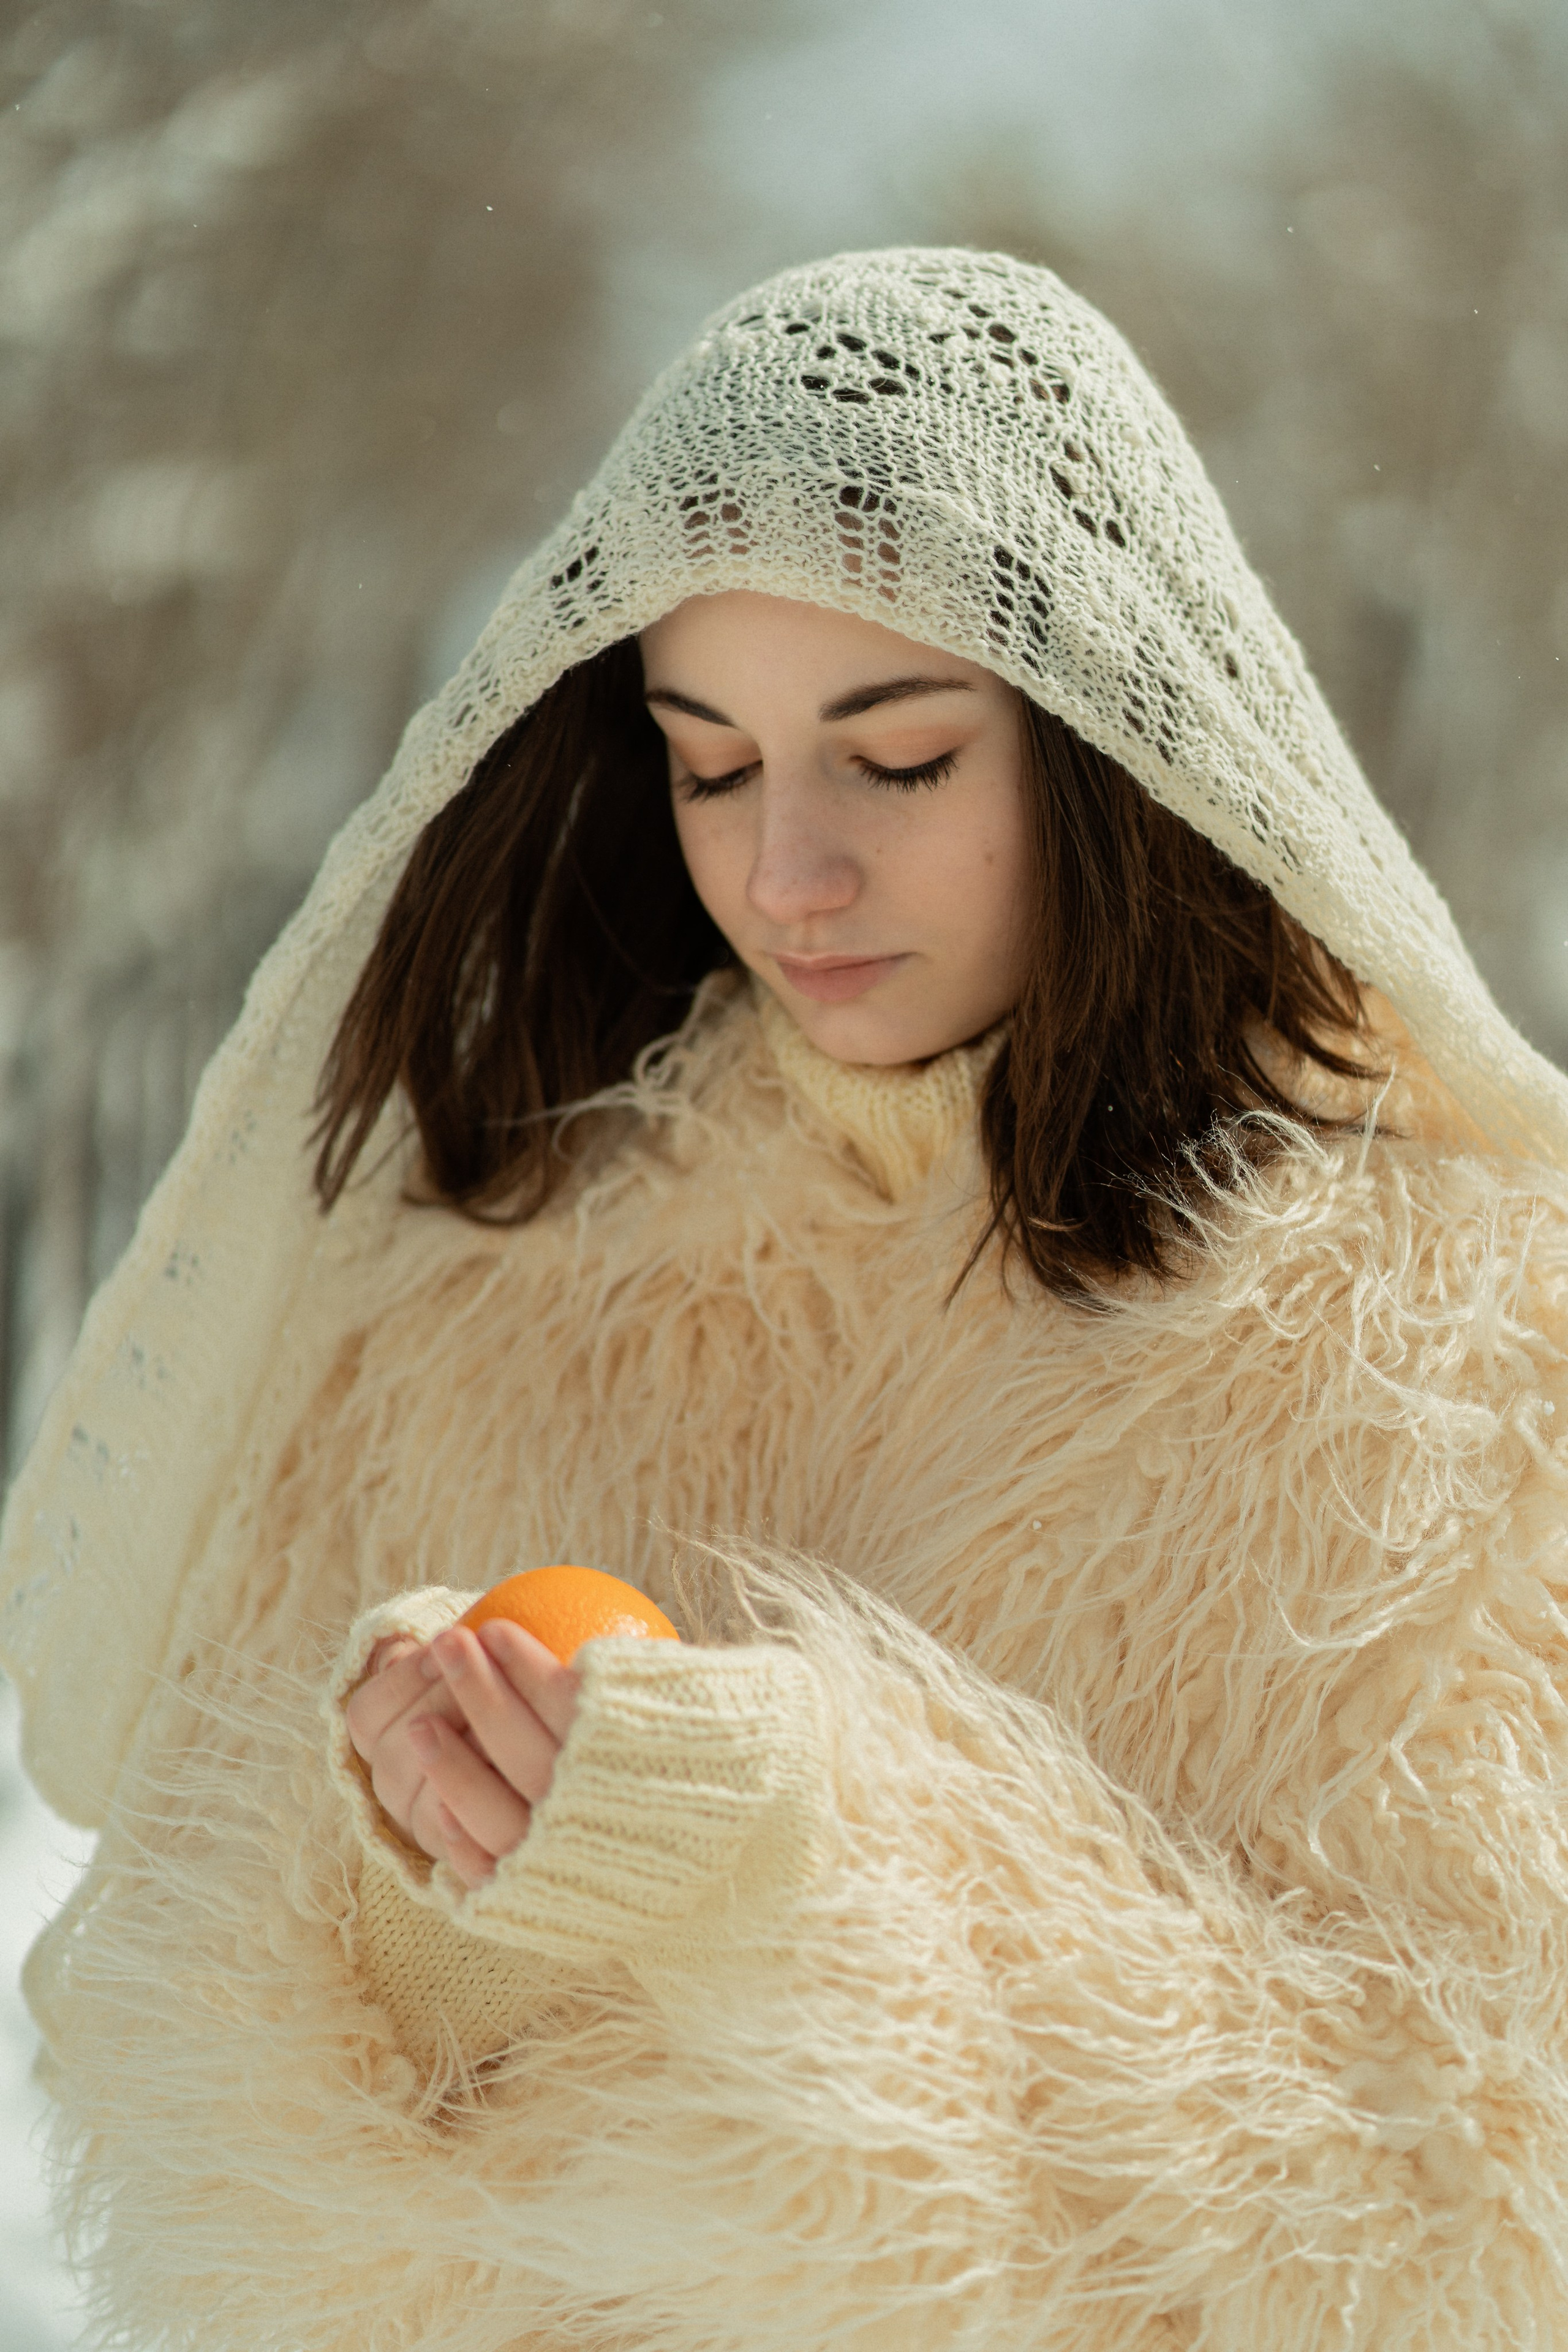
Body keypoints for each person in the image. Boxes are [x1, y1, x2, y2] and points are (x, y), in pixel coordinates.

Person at [3, 246, 1567, 2351]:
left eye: (898, 758)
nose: (786, 875)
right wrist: (433, 1898)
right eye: (709, 765)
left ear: (1121, 744)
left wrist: (795, 1862)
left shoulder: (1460, 1353)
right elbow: (180, 2142)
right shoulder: (467, 1300)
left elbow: (1470, 2206)